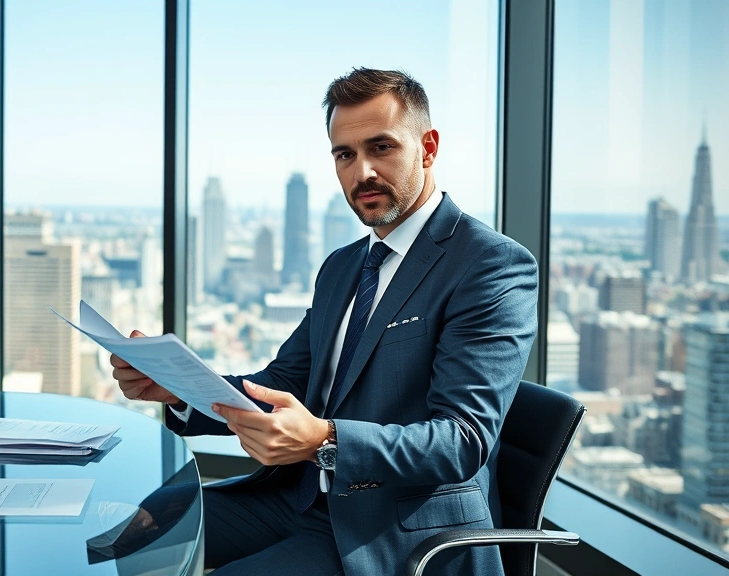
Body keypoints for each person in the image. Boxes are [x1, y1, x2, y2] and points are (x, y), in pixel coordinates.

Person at [110, 67, 538, 576]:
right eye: (345, 154)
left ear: (427, 148)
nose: (362, 174)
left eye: (381, 148)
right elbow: (284, 383)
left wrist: (324, 440)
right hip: (296, 498)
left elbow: (461, 441)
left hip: (392, 530)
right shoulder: (343, 266)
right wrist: (178, 390)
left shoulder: (489, 265)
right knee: (133, 534)